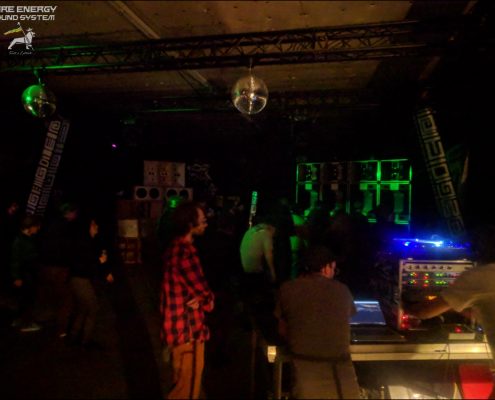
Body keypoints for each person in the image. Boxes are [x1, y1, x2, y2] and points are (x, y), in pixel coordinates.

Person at [403, 224, 495, 398]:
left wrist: (400, 305)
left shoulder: (481, 276)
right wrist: (456, 306)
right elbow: (482, 311)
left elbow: (424, 311)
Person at [274, 245, 361, 399]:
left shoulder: (287, 289)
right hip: (342, 378)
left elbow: (282, 330)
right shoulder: (342, 290)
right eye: (334, 268)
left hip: (305, 375)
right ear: (326, 268)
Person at [160, 201, 214, 399]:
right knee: (187, 392)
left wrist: (200, 298)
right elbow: (205, 295)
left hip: (177, 331)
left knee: (180, 386)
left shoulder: (173, 249)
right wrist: (206, 300)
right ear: (190, 225)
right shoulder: (185, 253)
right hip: (189, 331)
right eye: (203, 220)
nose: (206, 224)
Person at [67, 217, 114, 349]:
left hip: (79, 279)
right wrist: (99, 261)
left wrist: (104, 270)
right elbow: (85, 264)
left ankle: (74, 337)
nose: (96, 227)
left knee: (83, 309)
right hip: (80, 280)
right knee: (93, 308)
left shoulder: (88, 242)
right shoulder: (84, 244)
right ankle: (85, 340)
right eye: (93, 225)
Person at [10, 214, 42, 332]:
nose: (38, 229)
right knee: (27, 298)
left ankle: (20, 320)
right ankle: (25, 323)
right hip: (25, 273)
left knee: (25, 298)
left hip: (28, 273)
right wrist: (16, 277)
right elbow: (15, 260)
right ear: (30, 226)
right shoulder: (20, 240)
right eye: (36, 226)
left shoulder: (28, 238)